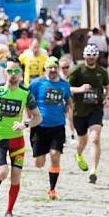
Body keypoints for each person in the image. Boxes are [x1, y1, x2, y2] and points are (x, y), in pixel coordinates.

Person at [0, 61, 41, 217]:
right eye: (10, 71)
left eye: (16, 71)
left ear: (21, 74)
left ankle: (9, 211)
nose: (13, 74)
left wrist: (25, 124)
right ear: (5, 73)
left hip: (17, 141)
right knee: (3, 172)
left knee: (16, 177)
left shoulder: (25, 94)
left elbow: (38, 117)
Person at [28, 57, 72, 200]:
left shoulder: (64, 85)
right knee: (39, 163)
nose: (53, 70)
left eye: (55, 67)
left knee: (55, 155)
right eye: (50, 68)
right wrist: (28, 118)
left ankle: (52, 189)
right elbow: (26, 100)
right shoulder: (37, 84)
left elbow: (69, 101)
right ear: (45, 69)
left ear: (58, 69)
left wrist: (67, 109)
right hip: (39, 127)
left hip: (57, 126)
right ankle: (41, 154)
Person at [68, 44, 109, 184]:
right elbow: (66, 88)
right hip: (79, 111)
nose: (91, 58)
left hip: (95, 109)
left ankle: (93, 170)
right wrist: (80, 89)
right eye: (88, 55)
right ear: (84, 56)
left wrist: (107, 99)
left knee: (95, 138)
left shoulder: (102, 71)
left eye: (93, 55)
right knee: (83, 140)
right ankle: (78, 154)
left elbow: (108, 87)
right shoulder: (77, 70)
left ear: (97, 56)